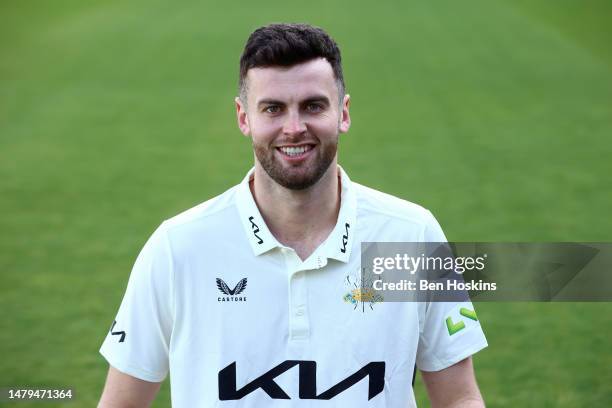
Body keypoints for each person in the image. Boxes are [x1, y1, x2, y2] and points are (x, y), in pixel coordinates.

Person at [98, 23, 487, 407]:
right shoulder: (178, 246)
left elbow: (459, 397)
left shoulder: (410, 235)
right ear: (243, 118)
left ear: (344, 113)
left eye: (313, 106)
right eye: (273, 109)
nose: (294, 127)